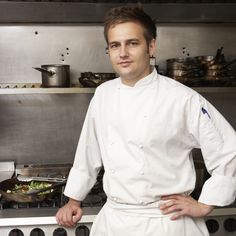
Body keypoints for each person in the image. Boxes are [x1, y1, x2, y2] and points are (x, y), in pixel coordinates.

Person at [56, 5, 236, 236]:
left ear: (151, 46)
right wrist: (73, 200)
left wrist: (205, 204)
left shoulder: (182, 98)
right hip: (114, 221)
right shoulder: (103, 94)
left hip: (166, 222)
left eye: (132, 43)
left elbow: (229, 151)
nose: (122, 53)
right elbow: (88, 152)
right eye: (115, 45)